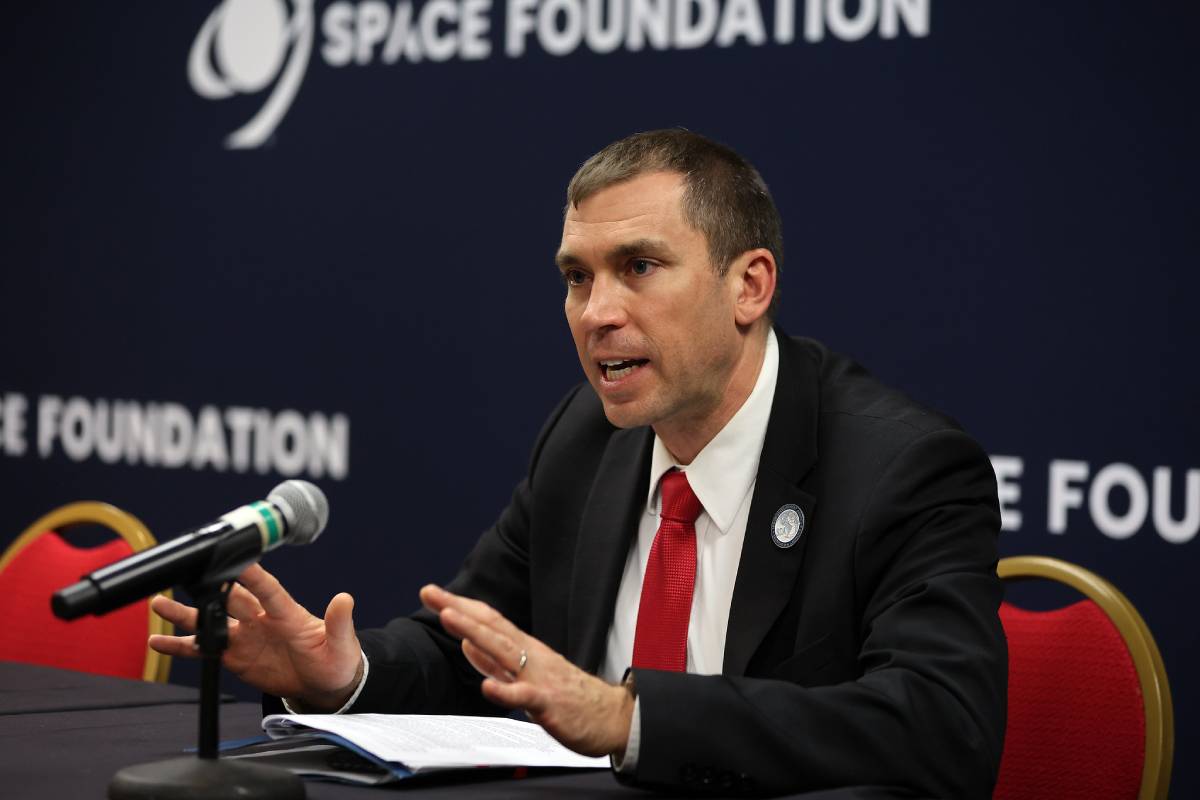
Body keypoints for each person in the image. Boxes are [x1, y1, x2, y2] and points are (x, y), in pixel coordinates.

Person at [150, 130, 1007, 797]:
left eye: (638, 268)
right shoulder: (588, 438)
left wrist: (633, 718)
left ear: (749, 286)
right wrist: (347, 675)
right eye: (576, 277)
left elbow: (940, 727)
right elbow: (476, 651)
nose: (596, 313)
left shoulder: (903, 466)